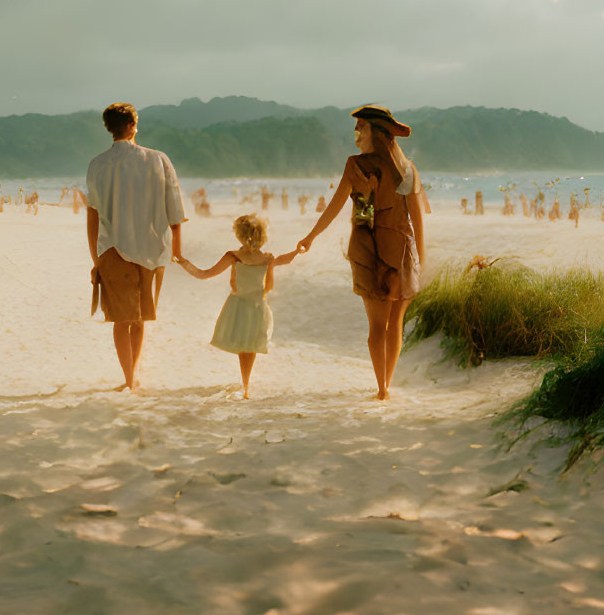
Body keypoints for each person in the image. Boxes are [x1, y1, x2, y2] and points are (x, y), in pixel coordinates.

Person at [297, 104, 428, 401]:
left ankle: (383, 387)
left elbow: (338, 206)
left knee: (378, 326)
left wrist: (311, 236)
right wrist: (422, 259)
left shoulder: (357, 165)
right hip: (400, 250)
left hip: (370, 245)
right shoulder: (408, 170)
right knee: (392, 324)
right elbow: (418, 220)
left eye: (361, 126)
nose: (356, 132)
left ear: (376, 132)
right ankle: (386, 387)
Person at [85, 102, 186, 393]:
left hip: (112, 249)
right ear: (132, 125)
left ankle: (129, 378)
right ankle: (133, 376)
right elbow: (175, 212)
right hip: (152, 250)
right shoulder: (158, 159)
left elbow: (93, 215)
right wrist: (177, 251)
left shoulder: (97, 165)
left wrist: (96, 258)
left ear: (110, 128)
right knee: (139, 318)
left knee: (120, 319)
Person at [176, 213, 300, 398]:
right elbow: (271, 284)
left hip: (238, 305)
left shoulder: (233, 256)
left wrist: (182, 261)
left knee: (244, 347)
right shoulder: (268, 259)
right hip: (258, 306)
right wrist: (298, 250)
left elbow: (204, 274)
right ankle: (246, 386)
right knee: (250, 347)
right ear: (262, 235)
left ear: (239, 235)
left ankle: (246, 386)